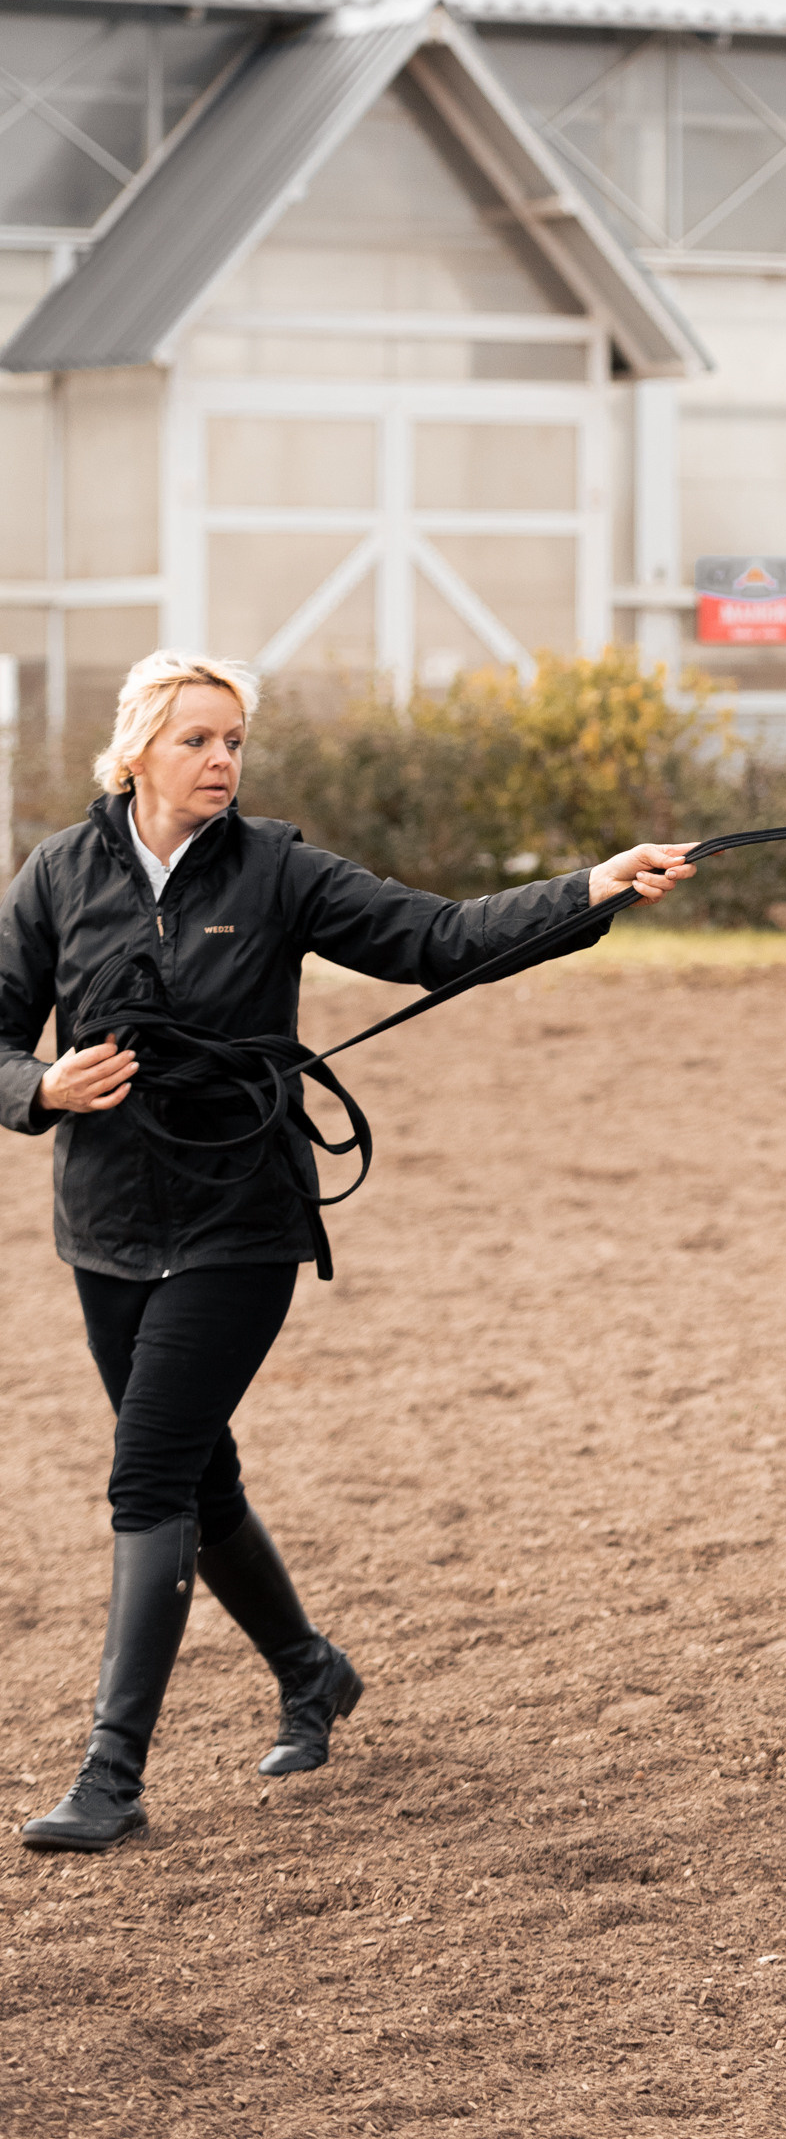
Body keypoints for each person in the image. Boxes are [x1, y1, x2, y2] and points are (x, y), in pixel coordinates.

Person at [2, 649, 693, 1854]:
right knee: (198, 1481)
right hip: (105, 1230)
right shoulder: (58, 874)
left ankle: (111, 1777)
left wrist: (591, 888)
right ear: (136, 751)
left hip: (240, 1225)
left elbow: (438, 937)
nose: (222, 761)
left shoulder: (276, 869)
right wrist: (42, 1085)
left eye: (233, 742)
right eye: (198, 741)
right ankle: (311, 1671)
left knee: (149, 1478)